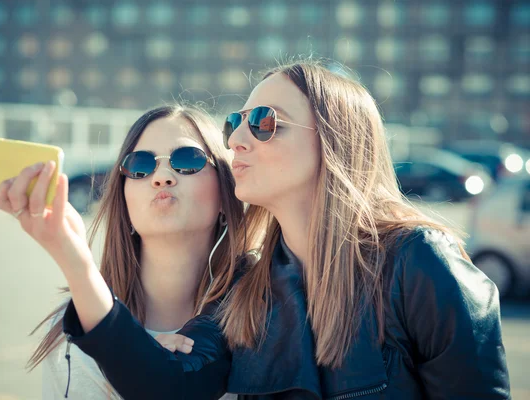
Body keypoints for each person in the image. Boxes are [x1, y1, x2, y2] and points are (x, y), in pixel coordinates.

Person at [36, 60, 511, 399]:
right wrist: (73, 255)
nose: (237, 140)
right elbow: (171, 386)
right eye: (234, 123)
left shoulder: (419, 263)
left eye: (264, 122)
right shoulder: (245, 293)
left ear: (334, 142)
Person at [0, 105, 254, 399]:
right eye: (140, 165)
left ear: (224, 191)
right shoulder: (73, 328)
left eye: (187, 159)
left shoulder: (261, 311)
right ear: (124, 197)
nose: (162, 177)